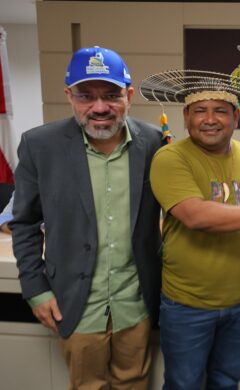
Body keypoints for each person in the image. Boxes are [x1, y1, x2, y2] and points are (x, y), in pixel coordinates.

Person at [10, 46, 164, 389]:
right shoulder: (40, 146)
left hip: (135, 302)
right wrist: (36, 290)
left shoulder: (154, 142)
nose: (99, 108)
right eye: (85, 96)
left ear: (129, 94)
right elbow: (24, 222)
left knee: (135, 383)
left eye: (111, 95)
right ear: (69, 96)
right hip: (74, 303)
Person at [141, 69, 240, 389]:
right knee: (182, 384)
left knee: (227, 382)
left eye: (220, 111)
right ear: (186, 117)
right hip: (187, 304)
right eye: (200, 110)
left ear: (236, 117)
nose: (210, 119)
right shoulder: (169, 158)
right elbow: (197, 216)